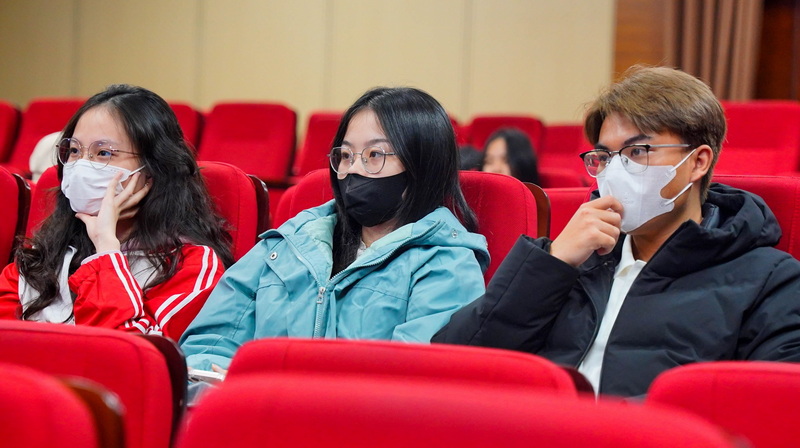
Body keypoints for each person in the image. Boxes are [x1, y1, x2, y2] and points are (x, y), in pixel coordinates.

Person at [433, 66, 800, 398]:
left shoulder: (770, 280)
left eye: (638, 151)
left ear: (698, 162)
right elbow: (457, 362)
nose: (615, 172)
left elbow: (765, 408)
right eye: (605, 157)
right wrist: (551, 262)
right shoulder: (576, 258)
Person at [180, 86, 489, 373]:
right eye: (346, 155)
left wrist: (285, 391)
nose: (352, 169)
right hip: (245, 406)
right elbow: (210, 342)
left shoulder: (447, 264)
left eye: (374, 155)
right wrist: (216, 378)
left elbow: (412, 380)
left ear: (422, 167)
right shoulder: (290, 241)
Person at [0, 84, 233, 341]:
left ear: (152, 170)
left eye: (103, 153)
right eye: (74, 151)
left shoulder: (191, 265)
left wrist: (106, 251)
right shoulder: (40, 258)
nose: (82, 166)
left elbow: (134, 354)